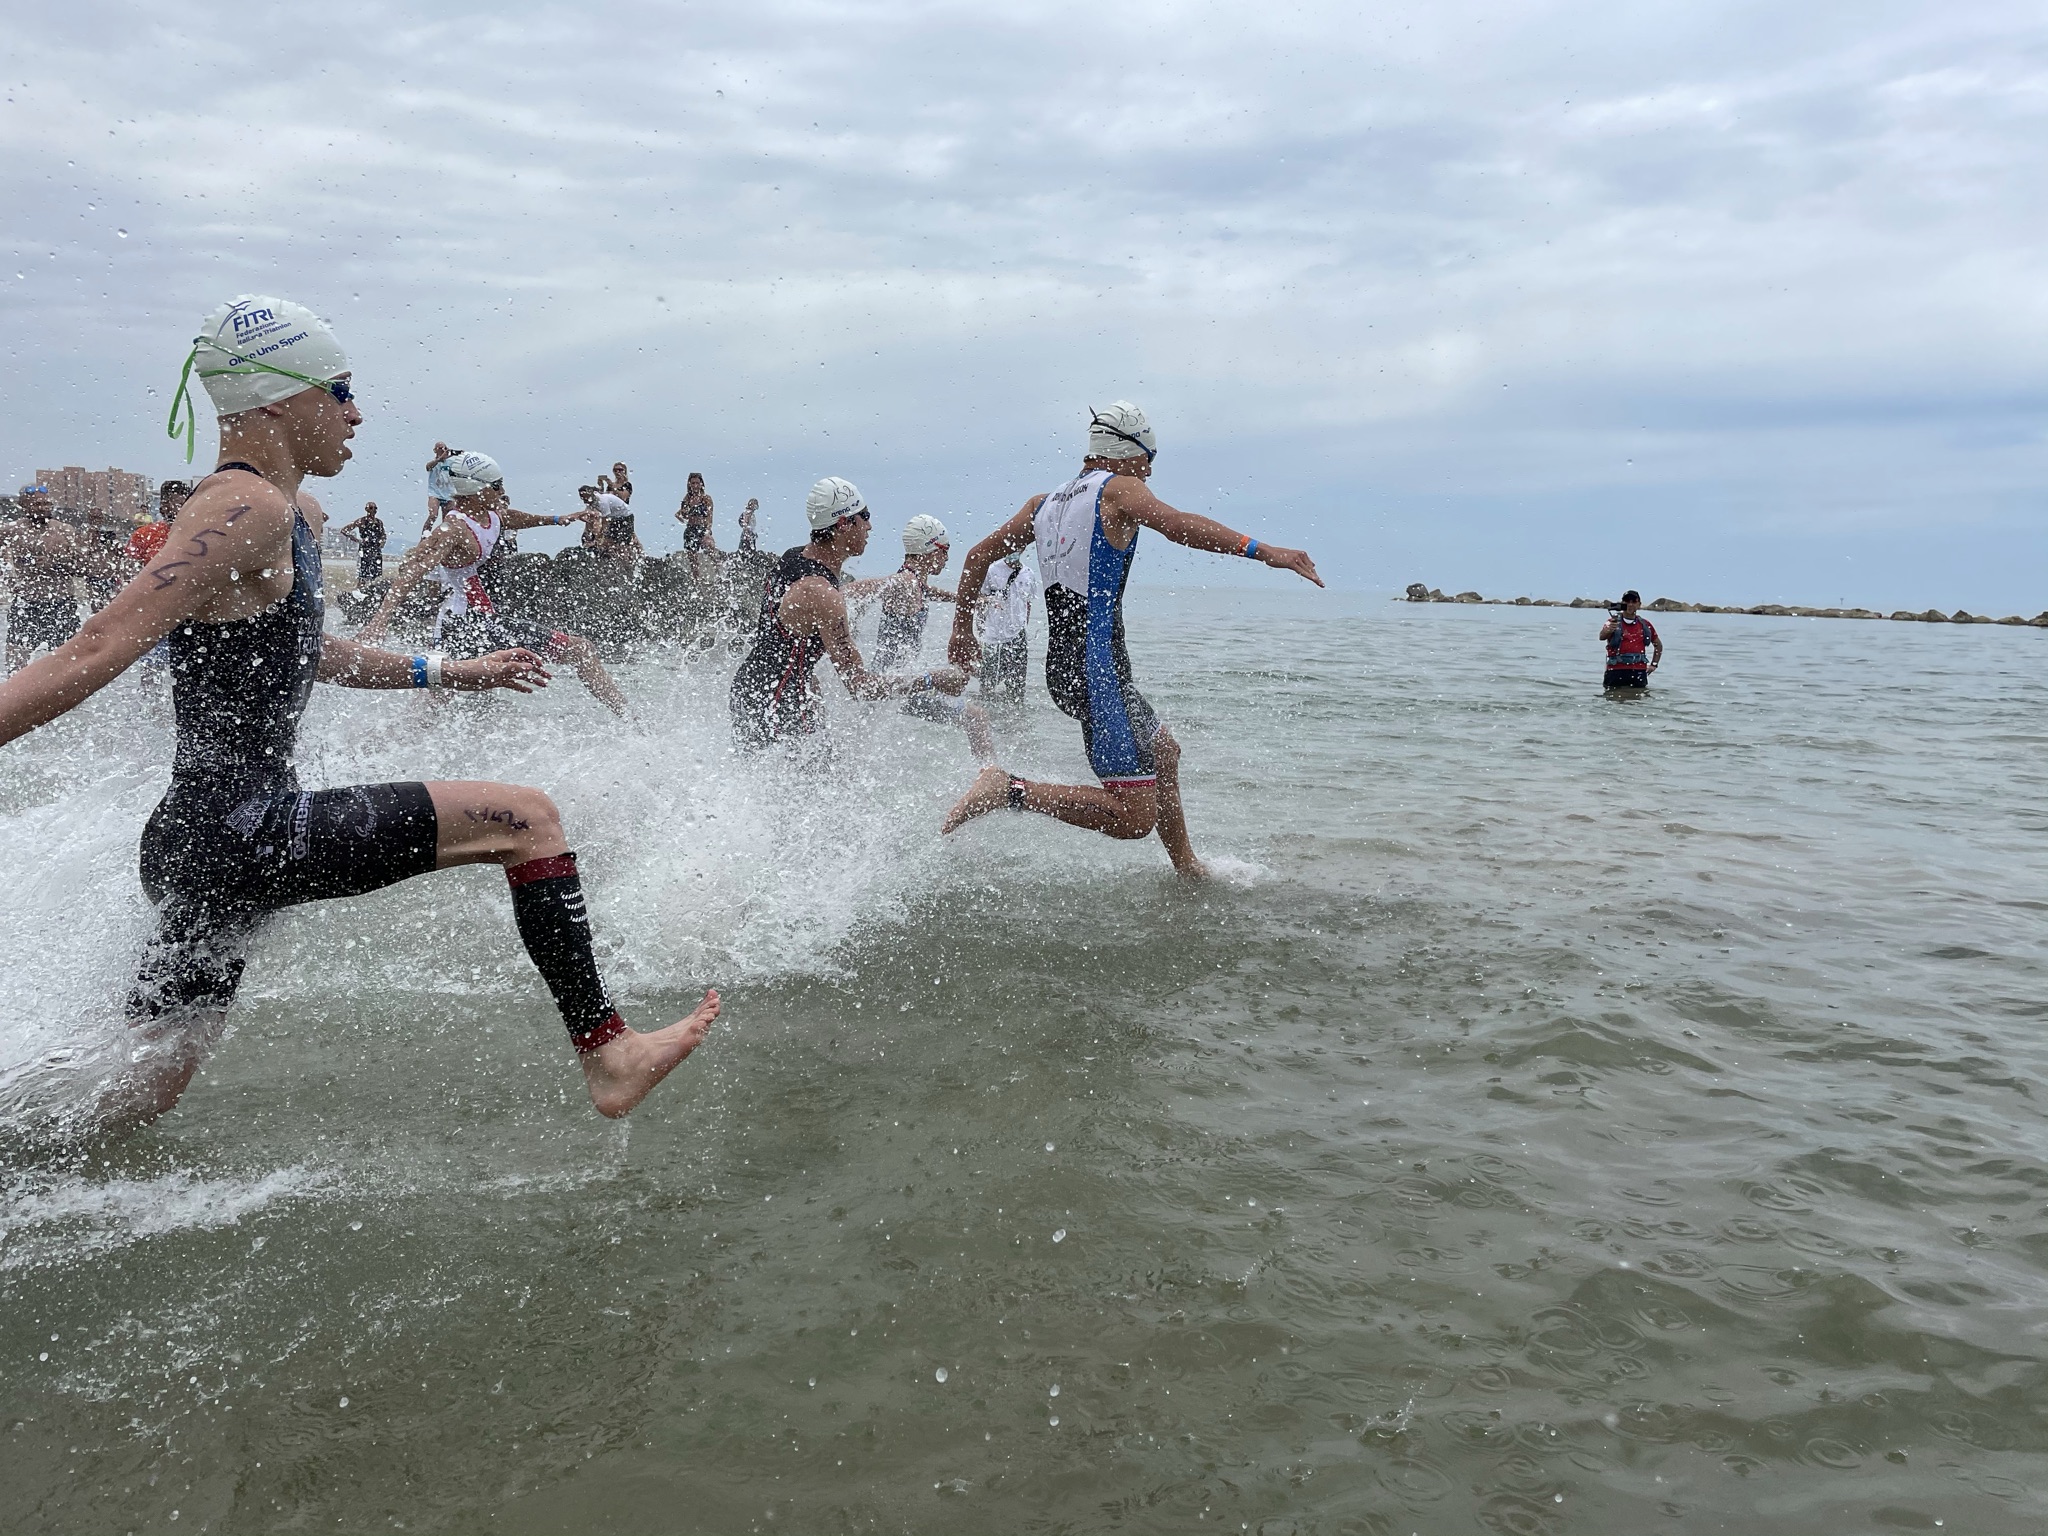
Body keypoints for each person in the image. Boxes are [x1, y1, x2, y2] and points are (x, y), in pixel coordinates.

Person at [1, 294, 718, 1135]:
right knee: (527, 819)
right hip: (245, 831)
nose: (356, 413)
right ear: (277, 399)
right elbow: (94, 648)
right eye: (339, 391)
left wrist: (447, 668)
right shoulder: (246, 509)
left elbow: (315, 650)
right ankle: (609, 1052)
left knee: (133, 1088)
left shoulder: (286, 512)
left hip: (200, 838)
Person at [941, 402, 1322, 877]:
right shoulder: (1119, 489)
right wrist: (1265, 552)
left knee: (1164, 752)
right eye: (1150, 459)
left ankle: (1186, 866)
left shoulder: (1043, 505)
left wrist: (961, 630)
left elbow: (977, 556)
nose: (1149, 471)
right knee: (1133, 818)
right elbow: (1176, 523)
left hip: (1068, 667)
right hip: (1098, 671)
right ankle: (1007, 789)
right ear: (1127, 452)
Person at [362, 455, 629, 715]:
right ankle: (634, 723)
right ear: (475, 489)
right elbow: (412, 572)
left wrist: (559, 519)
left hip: (483, 620)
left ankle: (631, 720)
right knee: (578, 649)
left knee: (438, 699)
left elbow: (510, 517)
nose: (502, 490)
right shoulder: (452, 529)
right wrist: (380, 620)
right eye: (496, 486)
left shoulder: (488, 516)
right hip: (462, 624)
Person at [729, 477, 969, 751]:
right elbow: (860, 687)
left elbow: (781, 643)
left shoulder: (793, 557)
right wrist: (933, 679)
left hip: (752, 689)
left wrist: (808, 685)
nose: (869, 526)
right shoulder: (823, 594)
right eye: (863, 517)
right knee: (815, 786)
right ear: (843, 524)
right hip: (776, 704)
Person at [859, 514, 994, 762]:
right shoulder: (905, 582)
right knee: (976, 717)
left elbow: (932, 592)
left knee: (863, 741)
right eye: (945, 550)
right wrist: (836, 597)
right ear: (930, 549)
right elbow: (878, 585)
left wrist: (970, 601)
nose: (947, 558)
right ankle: (989, 773)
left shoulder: (916, 584)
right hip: (892, 685)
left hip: (901, 683)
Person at [5, 487, 89, 673]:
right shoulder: (12, 531)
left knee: (67, 662)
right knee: (15, 660)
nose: (43, 508)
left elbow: (83, 568)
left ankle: (66, 700)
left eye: (46, 503)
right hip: (26, 603)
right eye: (37, 504)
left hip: (61, 602)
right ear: (24, 505)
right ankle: (16, 699)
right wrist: (6, 579)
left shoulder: (64, 531)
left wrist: (55, 563)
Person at [974, 551, 1039, 702]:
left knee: (1017, 688)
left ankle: (1015, 719)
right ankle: (988, 715)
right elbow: (979, 597)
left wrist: (1024, 628)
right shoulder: (992, 570)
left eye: (1020, 547)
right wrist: (980, 628)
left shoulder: (1028, 574)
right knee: (987, 684)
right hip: (992, 635)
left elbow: (1027, 604)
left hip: (1018, 635)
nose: (1016, 551)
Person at [1599, 590, 1662, 691]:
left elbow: (1658, 645)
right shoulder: (1612, 622)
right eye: (1627, 601)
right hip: (1615, 671)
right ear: (1622, 603)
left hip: (1638, 672)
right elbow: (1601, 636)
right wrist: (1608, 630)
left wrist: (1654, 664)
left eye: (1634, 601)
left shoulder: (1645, 625)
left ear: (1639, 605)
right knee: (1612, 702)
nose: (1630, 604)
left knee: (1637, 703)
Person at [127, 480, 191, 570]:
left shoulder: (198, 535)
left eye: (186, 505)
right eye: (179, 505)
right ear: (162, 508)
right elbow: (128, 572)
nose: (182, 510)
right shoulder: (143, 535)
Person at [576, 484, 641, 562]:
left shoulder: (602, 502)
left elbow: (605, 523)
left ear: (591, 494)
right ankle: (615, 558)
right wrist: (588, 534)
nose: (584, 500)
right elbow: (589, 517)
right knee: (609, 541)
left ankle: (629, 561)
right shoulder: (591, 500)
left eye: (585, 497)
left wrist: (599, 537)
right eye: (581, 497)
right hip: (614, 518)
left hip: (625, 517)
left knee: (622, 543)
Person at [336, 501, 387, 585]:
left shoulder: (379, 522)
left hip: (376, 549)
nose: (373, 510)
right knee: (363, 573)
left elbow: (383, 534)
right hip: (365, 549)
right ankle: (360, 590)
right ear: (366, 509)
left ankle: (372, 590)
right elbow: (344, 530)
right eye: (371, 508)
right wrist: (357, 540)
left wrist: (382, 543)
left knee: (376, 574)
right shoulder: (361, 521)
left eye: (375, 508)